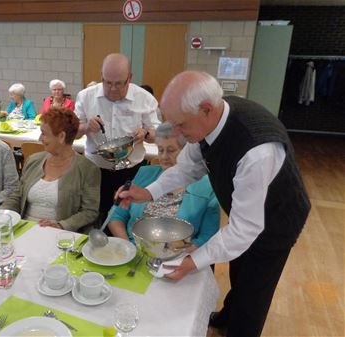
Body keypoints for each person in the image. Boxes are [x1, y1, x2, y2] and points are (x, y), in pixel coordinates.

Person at [119, 71, 311, 337]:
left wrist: (192, 261)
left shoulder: (256, 152)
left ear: (206, 110)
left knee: (255, 290)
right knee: (239, 267)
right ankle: (226, 315)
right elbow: (187, 168)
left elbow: (245, 230)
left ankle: (241, 328)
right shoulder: (210, 118)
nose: (176, 132)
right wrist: (149, 193)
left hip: (278, 218)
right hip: (246, 210)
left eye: (180, 125)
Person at [75, 53, 160, 223]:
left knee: (125, 217)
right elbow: (72, 132)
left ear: (129, 78)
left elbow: (158, 133)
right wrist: (85, 127)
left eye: (119, 83)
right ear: (101, 77)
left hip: (131, 171)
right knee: (94, 216)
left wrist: (145, 133)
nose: (113, 89)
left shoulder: (144, 98)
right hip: (95, 171)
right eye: (108, 82)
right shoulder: (86, 96)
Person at [108, 122, 219, 246]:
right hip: (135, 252)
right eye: (160, 150)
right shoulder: (145, 174)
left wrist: (177, 254)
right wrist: (127, 246)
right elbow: (116, 216)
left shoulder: (206, 187)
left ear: (188, 152)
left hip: (178, 258)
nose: (164, 157)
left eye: (171, 151)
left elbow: (207, 237)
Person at [0, 107, 100, 232]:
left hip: (60, 235)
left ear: (61, 136)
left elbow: (90, 212)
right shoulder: (33, 160)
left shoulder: (88, 169)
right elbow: (18, 196)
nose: (40, 139)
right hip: (24, 229)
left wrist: (61, 225)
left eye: (44, 133)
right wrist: (1, 213)